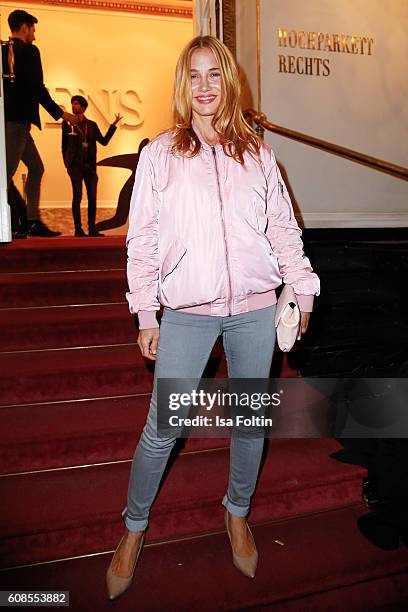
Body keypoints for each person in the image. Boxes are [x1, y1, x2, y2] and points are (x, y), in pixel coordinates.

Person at [106, 35, 320, 599]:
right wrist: (146, 313)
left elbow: (282, 232)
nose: (204, 86)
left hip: (254, 310)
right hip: (187, 312)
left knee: (249, 423)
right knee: (164, 428)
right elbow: (143, 240)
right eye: (194, 75)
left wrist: (302, 289)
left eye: (215, 74)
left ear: (229, 82)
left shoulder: (258, 153)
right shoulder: (160, 153)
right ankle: (133, 528)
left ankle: (238, 512)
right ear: (184, 84)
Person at [2, 9, 78, 238]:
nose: (35, 34)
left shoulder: (4, 50)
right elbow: (37, 89)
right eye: (33, 29)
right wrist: (62, 114)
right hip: (17, 122)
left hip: (10, 121)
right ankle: (20, 222)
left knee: (36, 168)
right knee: (5, 174)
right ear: (24, 27)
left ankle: (31, 220)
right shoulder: (29, 51)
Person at [61, 95, 122, 236]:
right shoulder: (67, 124)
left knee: (92, 198)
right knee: (77, 196)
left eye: (76, 104)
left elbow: (104, 141)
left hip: (90, 167)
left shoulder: (92, 125)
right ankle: (78, 229)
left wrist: (113, 125)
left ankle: (92, 229)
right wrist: (67, 162)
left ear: (83, 107)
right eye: (72, 104)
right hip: (75, 166)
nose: (73, 106)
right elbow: (64, 145)